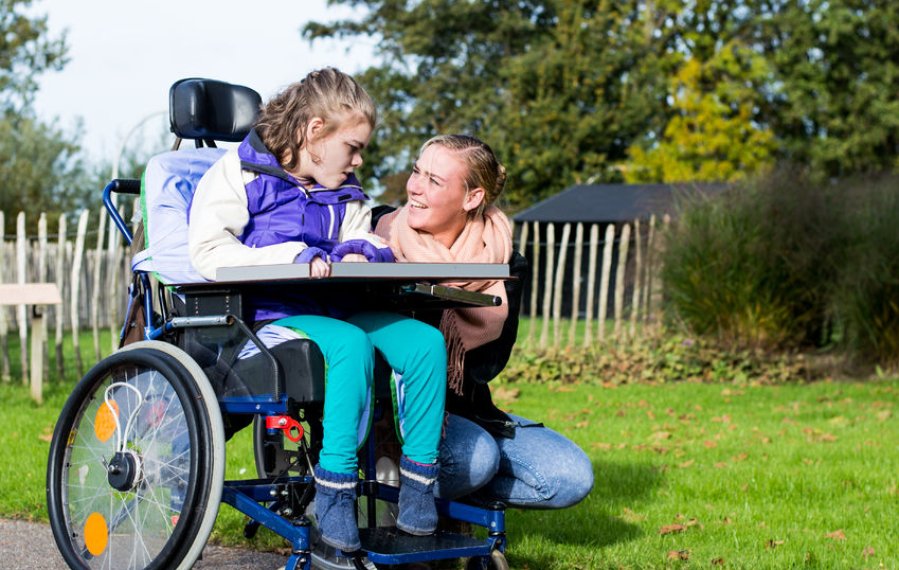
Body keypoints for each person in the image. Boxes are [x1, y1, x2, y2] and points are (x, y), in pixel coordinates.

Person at [188, 68, 446, 552]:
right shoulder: (240, 174)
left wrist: (362, 251)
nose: (359, 159)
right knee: (347, 344)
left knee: (424, 344)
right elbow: (207, 254)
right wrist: (294, 256)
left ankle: (417, 493)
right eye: (353, 147)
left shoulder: (342, 185)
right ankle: (333, 497)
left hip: (339, 308)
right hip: (267, 317)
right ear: (314, 132)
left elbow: (363, 234)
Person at [374, 134, 594, 510]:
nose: (415, 188)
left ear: (472, 198)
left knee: (568, 477)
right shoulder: (378, 238)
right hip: (384, 413)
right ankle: (376, 493)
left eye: (434, 181)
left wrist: (451, 290)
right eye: (416, 172)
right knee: (477, 460)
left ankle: (428, 496)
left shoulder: (503, 263)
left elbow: (484, 366)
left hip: (461, 410)